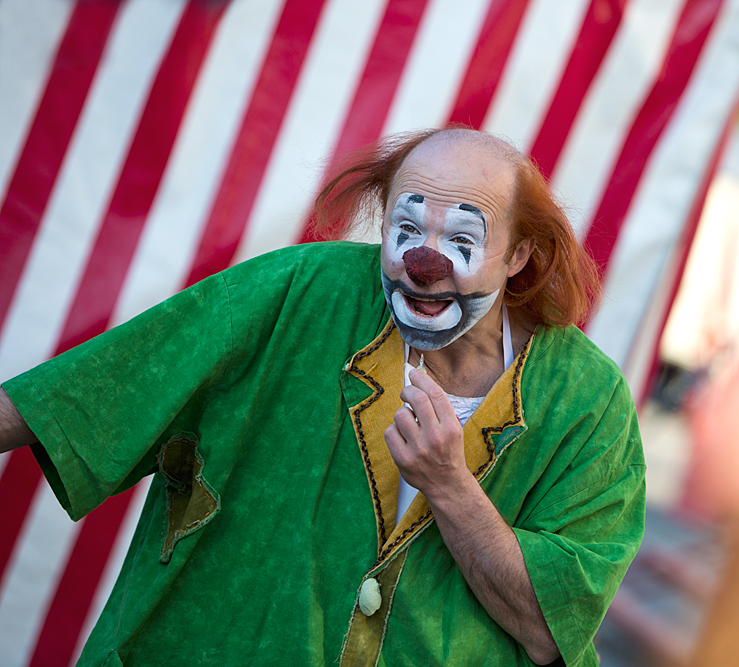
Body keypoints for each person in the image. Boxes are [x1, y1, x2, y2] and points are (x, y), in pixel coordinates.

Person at [0, 127, 646, 666]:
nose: (424, 260)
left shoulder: (588, 404)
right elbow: (78, 396)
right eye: (407, 228)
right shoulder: (294, 293)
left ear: (517, 255)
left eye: (462, 242)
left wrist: (449, 485)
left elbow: (548, 628)